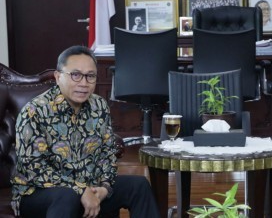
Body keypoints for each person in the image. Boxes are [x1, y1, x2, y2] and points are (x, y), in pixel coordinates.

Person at [11, 45, 160, 218]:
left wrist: (105, 188)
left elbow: (107, 153)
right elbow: (34, 169)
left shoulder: (99, 106)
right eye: (75, 75)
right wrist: (80, 190)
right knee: (67, 196)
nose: (83, 83)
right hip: (38, 193)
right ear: (58, 77)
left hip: (90, 186)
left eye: (90, 76)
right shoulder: (35, 111)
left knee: (138, 186)